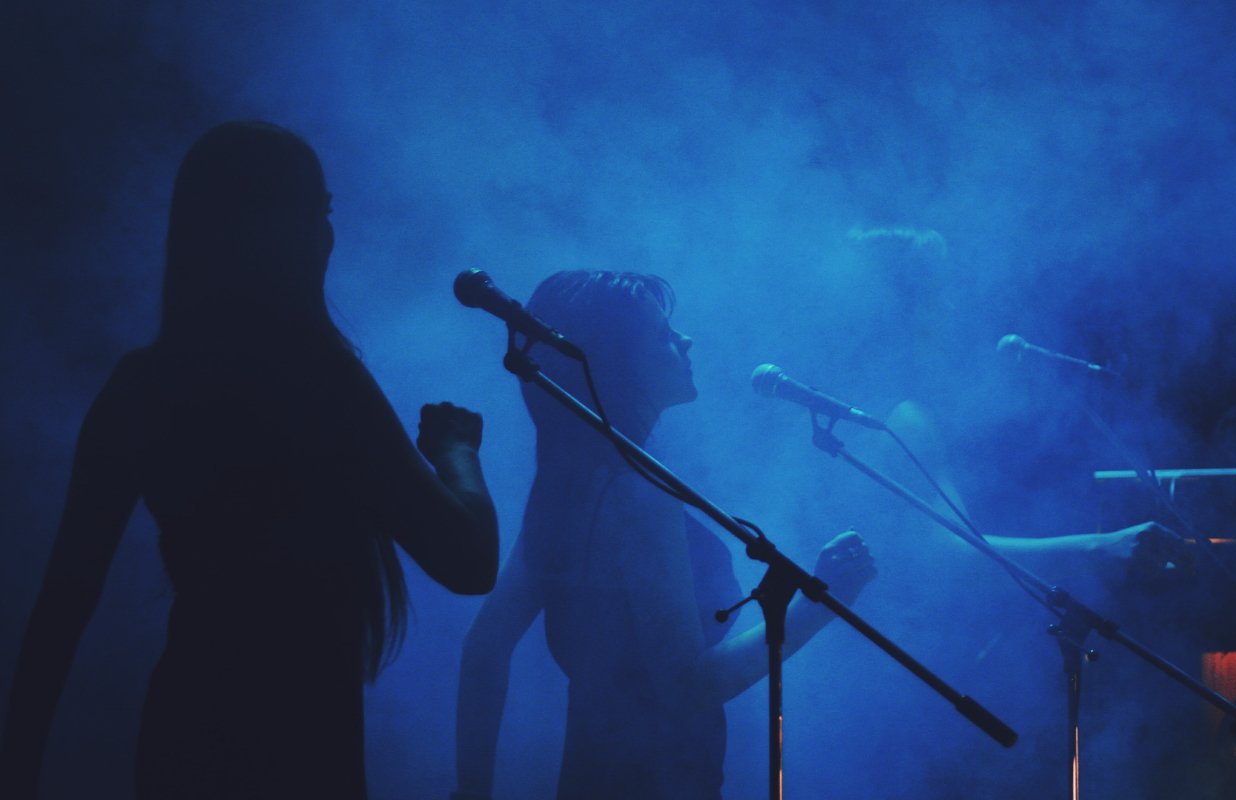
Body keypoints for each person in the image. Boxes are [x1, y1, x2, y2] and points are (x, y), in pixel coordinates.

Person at [0, 121, 500, 799]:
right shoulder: (323, 381)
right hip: (300, 738)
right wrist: (457, 453)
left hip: (184, 731)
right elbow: (468, 561)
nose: (327, 235)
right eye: (315, 212)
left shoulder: (142, 386)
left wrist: (19, 770)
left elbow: (63, 604)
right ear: (274, 229)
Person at [452, 271, 877, 800]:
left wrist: (470, 795)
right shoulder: (637, 497)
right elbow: (684, 687)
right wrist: (821, 603)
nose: (685, 340)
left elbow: (484, 649)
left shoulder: (570, 484)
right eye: (662, 334)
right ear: (618, 362)